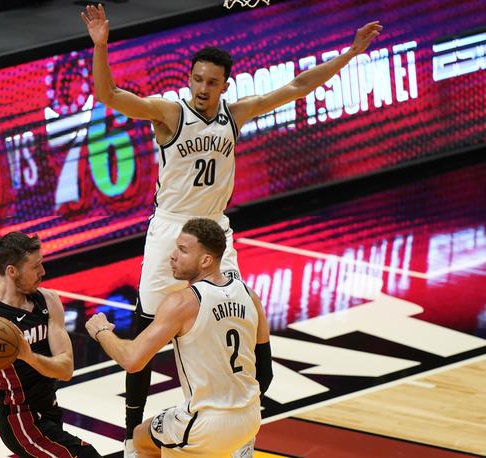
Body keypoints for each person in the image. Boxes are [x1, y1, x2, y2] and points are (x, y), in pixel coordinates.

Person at [80, 4, 382, 454]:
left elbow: (297, 86)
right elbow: (110, 96)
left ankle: (256, 393)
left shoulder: (234, 116)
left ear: (226, 85)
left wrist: (351, 54)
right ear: (190, 79)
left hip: (215, 233)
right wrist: (101, 47)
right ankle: (132, 431)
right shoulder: (169, 113)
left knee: (246, 309)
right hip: (171, 231)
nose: (203, 88)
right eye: (197, 79)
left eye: (212, 82)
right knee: (146, 329)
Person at [86, 218, 272, 457]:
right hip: (250, 417)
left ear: (206, 260)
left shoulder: (183, 302)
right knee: (155, 434)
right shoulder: (250, 295)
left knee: (139, 440)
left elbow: (132, 360)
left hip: (206, 424)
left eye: (183, 250)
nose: (172, 255)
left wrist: (102, 332)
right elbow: (265, 372)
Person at [0, 231, 101, 458]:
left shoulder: (48, 301)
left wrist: (28, 356)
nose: (43, 272)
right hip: (20, 419)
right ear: (12, 271)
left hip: (50, 411)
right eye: (36, 266)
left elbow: (66, 369)